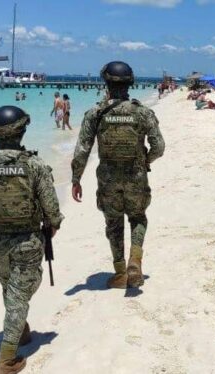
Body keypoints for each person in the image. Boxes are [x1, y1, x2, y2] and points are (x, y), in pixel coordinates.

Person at [0, 106, 63, 373]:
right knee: (20, 293)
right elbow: (50, 205)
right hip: (26, 240)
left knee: (9, 288)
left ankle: (20, 331)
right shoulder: (33, 164)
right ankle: (7, 359)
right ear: (22, 131)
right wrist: (53, 224)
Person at [71, 61, 165, 289]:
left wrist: (76, 178)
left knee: (113, 223)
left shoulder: (96, 113)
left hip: (108, 178)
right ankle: (136, 258)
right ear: (130, 83)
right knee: (138, 217)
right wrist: (146, 161)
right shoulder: (142, 112)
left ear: (106, 83)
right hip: (136, 176)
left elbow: (82, 149)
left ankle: (121, 272)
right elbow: (159, 146)